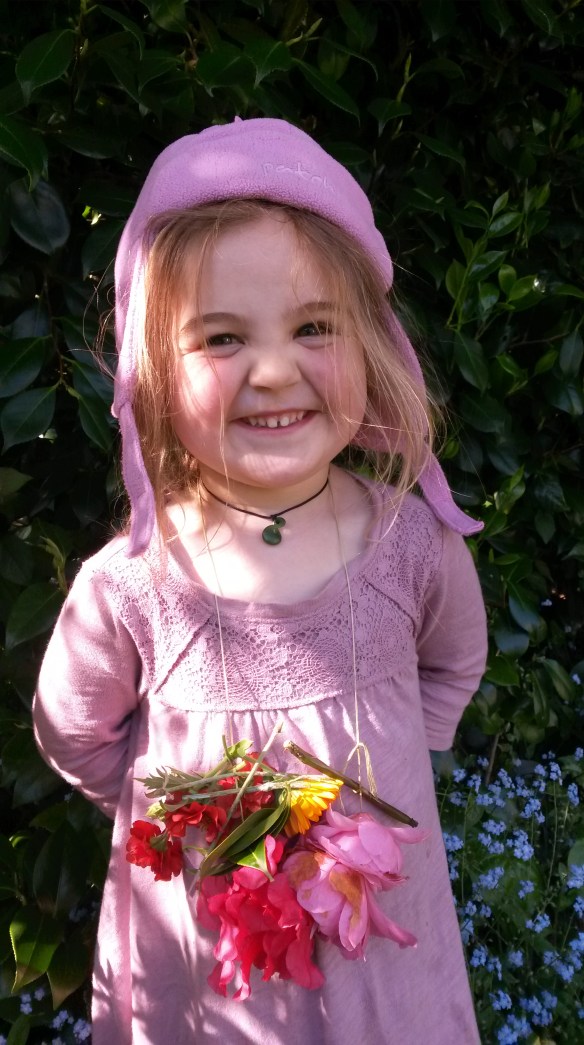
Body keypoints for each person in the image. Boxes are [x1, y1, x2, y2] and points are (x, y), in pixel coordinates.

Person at [34, 118, 488, 1045]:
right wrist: (185, 802)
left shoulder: (411, 542)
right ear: (154, 372)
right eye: (221, 338)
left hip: (381, 964)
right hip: (208, 977)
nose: (274, 370)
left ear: (369, 341)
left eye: (313, 326)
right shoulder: (138, 584)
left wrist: (392, 758)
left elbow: (453, 660)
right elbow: (74, 731)